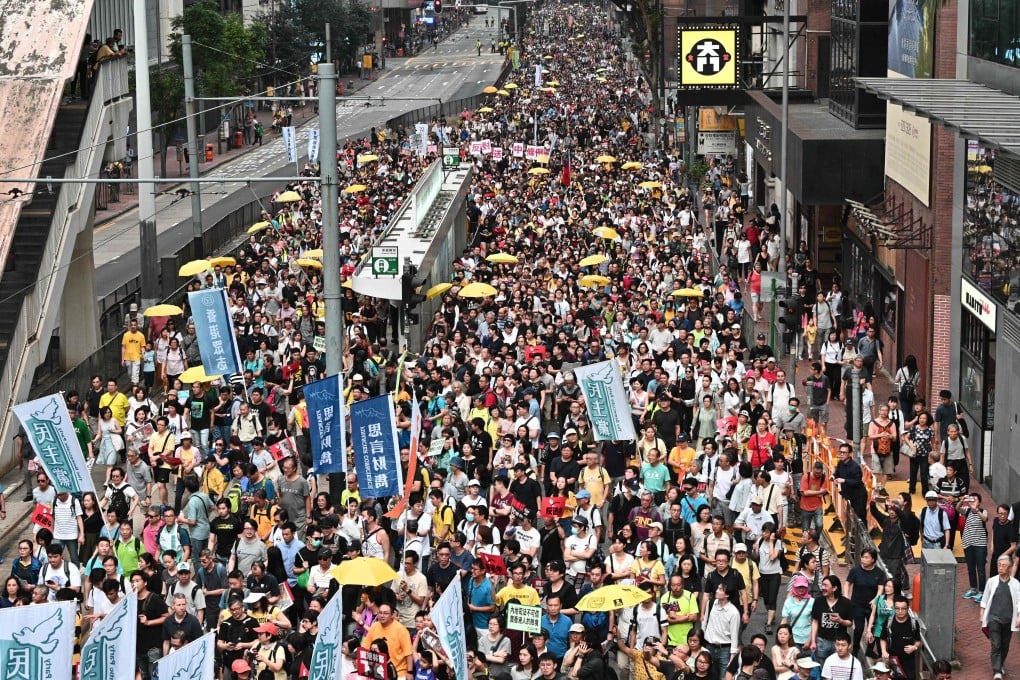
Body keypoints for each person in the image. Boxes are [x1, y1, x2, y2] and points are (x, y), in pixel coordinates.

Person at [980, 554, 1020, 680]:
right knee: (996, 645)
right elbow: (985, 598)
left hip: (1008, 620)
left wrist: (1019, 617)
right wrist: (982, 613)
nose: (1000, 567)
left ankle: (1000, 664)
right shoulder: (991, 581)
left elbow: (1019, 602)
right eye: (999, 565)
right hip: (994, 619)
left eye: (1003, 566)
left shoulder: (1015, 584)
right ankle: (997, 671)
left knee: (1005, 645)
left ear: (1009, 568)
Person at [881, 597, 920, 680]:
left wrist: (914, 647)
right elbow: (883, 639)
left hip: (909, 662)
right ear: (894, 608)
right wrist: (884, 651)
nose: (900, 611)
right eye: (897, 608)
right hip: (893, 661)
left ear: (908, 608)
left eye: (903, 608)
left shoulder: (913, 623)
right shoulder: (888, 622)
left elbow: (918, 641)